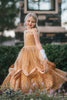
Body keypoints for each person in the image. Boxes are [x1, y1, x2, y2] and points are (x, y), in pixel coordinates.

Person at [1, 13, 67, 93]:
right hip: (25, 53)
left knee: (36, 71)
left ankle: (36, 89)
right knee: (24, 71)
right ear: (25, 21)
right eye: (28, 21)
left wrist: (43, 54)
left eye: (33, 22)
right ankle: (25, 90)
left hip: (34, 52)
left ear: (35, 23)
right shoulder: (25, 31)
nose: (30, 23)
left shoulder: (34, 31)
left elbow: (38, 44)